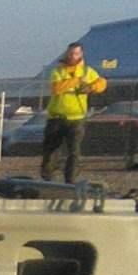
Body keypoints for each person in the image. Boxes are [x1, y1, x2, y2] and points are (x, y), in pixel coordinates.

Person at [41, 43, 107, 183]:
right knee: (51, 151)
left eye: (76, 53)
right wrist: (76, 80)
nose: (73, 56)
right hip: (56, 118)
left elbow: (102, 83)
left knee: (74, 152)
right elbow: (56, 88)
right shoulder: (58, 71)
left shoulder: (87, 71)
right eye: (71, 53)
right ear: (67, 53)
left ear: (81, 54)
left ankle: (70, 180)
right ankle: (47, 179)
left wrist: (91, 88)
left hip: (77, 119)